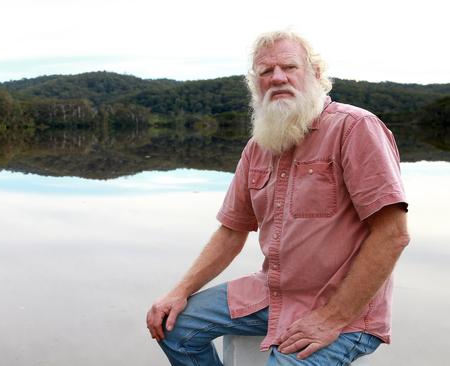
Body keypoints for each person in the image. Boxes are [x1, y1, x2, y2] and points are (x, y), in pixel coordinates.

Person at [146, 30, 410, 366]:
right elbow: (231, 231)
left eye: (289, 66)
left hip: (345, 311)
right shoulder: (258, 147)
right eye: (266, 71)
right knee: (174, 326)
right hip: (274, 293)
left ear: (315, 74)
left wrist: (331, 318)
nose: (278, 78)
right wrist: (178, 292)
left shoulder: (355, 128)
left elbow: (393, 235)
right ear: (255, 83)